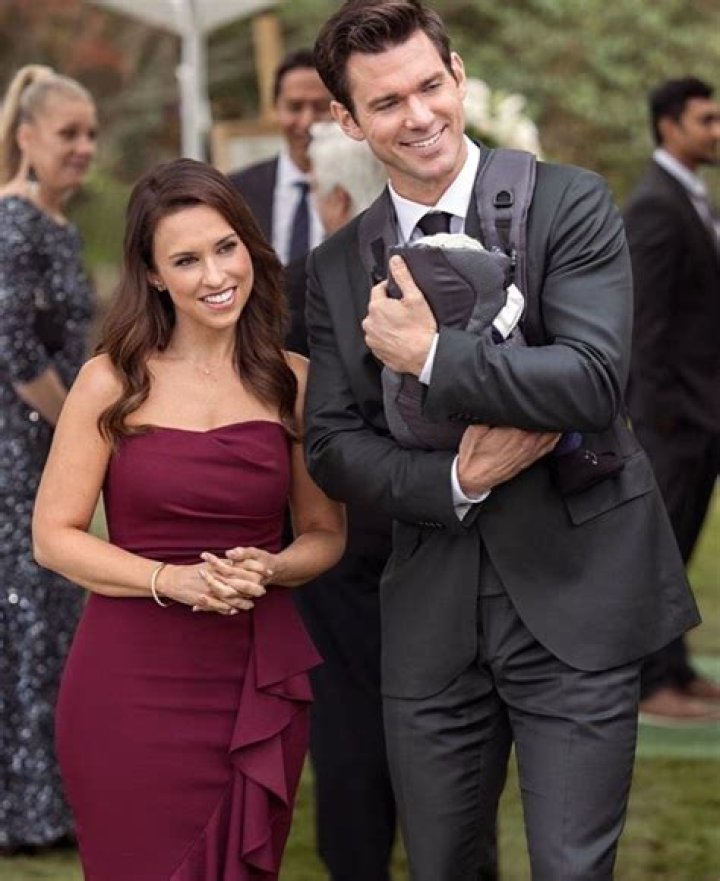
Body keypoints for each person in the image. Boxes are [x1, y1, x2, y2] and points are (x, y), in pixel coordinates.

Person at [303, 3, 700, 880]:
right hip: (429, 616)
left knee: (570, 866)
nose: (419, 116)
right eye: (386, 102)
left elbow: (592, 380)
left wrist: (431, 356)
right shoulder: (335, 266)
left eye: (430, 86)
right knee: (443, 866)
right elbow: (330, 443)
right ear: (347, 119)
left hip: (579, 595)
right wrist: (454, 478)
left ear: (458, 74)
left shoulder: (570, 201)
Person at [32, 158, 345, 881]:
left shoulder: (293, 382)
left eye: (226, 247)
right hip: (127, 685)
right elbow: (53, 537)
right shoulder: (109, 380)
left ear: (249, 245)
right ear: (152, 274)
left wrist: (274, 565)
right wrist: (171, 580)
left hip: (250, 680)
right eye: (186, 259)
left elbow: (327, 534)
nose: (215, 275)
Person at [291, 121, 406, 881]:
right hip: (433, 513)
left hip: (337, 525)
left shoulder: (304, 280)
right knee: (447, 712)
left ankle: (357, 863)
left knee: (346, 714)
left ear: (334, 199)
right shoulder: (437, 265)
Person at [0, 64, 97, 854]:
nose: (85, 147)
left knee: (52, 621)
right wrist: (80, 434)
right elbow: (13, 347)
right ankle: (21, 811)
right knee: (23, 622)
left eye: (91, 133)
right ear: (26, 137)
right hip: (16, 454)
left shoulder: (60, 227)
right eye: (69, 133)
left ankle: (50, 803)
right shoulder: (13, 222)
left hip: (49, 449)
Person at [624, 77, 720, 725]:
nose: (716, 131)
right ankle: (648, 682)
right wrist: (657, 420)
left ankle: (676, 667)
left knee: (677, 552)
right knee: (656, 555)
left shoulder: (690, 196)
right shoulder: (656, 206)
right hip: (672, 420)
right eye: (706, 119)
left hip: (700, 415)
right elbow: (645, 325)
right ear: (668, 125)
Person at [229, 48, 332, 267]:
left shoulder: (364, 190)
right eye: (295, 107)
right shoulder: (236, 192)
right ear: (275, 109)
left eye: (320, 107)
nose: (307, 121)